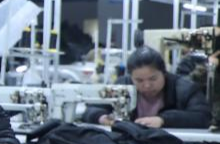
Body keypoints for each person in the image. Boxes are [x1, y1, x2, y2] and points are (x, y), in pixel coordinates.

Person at [82, 47, 210, 129]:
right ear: (131, 77)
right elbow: (91, 109)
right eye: (139, 80)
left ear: (164, 73)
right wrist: (102, 117)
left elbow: (203, 117)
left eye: (153, 79)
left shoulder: (184, 89)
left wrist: (163, 120)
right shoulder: (122, 86)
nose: (147, 85)